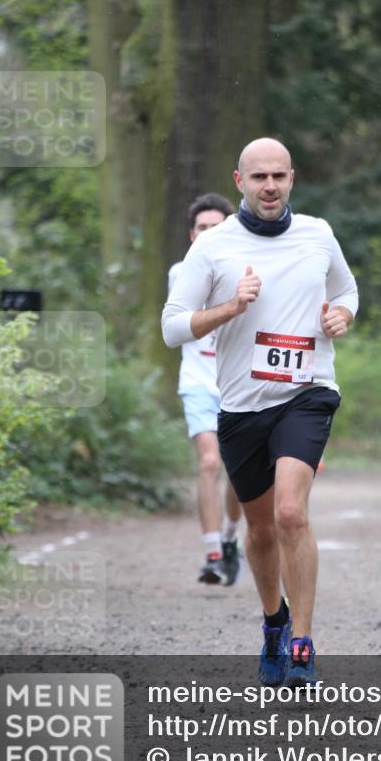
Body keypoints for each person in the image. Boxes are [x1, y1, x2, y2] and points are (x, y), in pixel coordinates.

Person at [162, 139, 358, 686]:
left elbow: (346, 288)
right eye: (258, 177)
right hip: (243, 404)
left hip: (308, 391)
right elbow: (172, 325)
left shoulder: (317, 233)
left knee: (291, 513)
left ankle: (302, 642)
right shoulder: (213, 248)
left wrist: (341, 314)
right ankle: (274, 620)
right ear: (239, 181)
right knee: (261, 530)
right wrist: (230, 307)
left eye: (279, 176)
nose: (269, 186)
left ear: (292, 178)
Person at [168, 193, 243, 586]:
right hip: (198, 383)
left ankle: (231, 537)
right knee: (210, 462)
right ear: (191, 234)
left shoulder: (250, 272)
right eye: (202, 228)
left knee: (239, 474)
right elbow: (179, 324)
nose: (209, 233)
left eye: (217, 227)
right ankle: (213, 553)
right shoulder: (180, 273)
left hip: (240, 385)